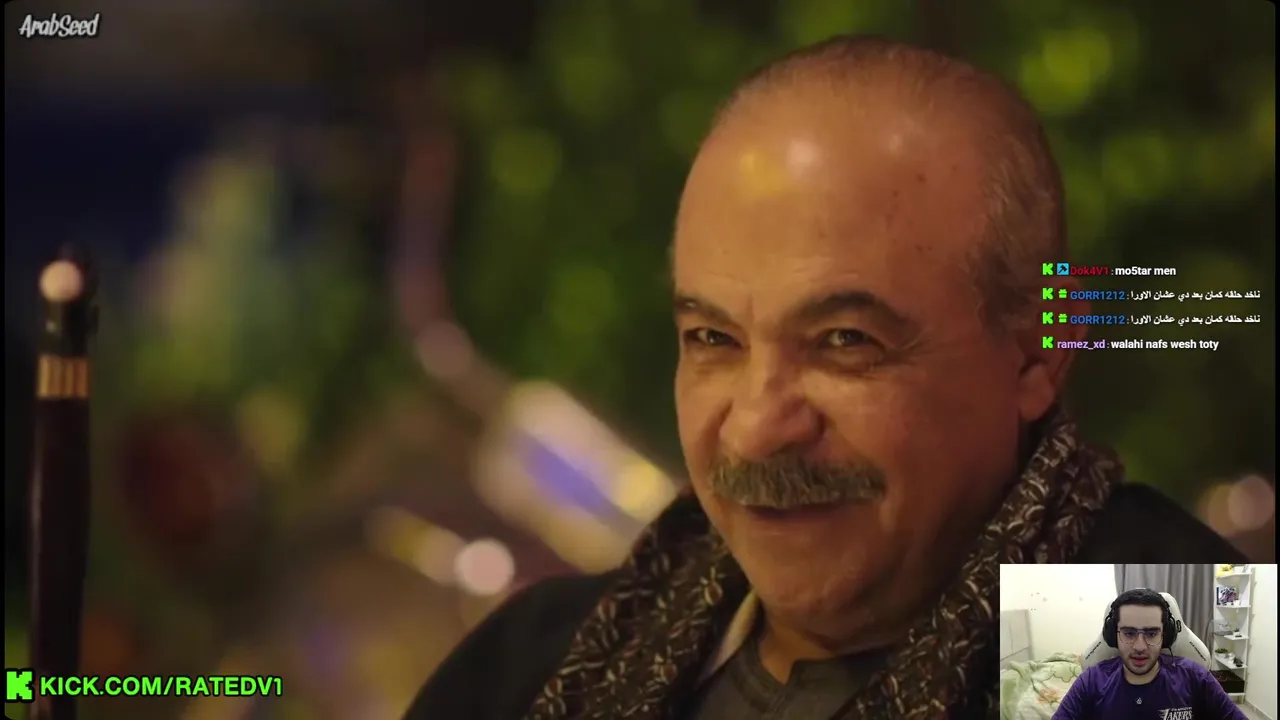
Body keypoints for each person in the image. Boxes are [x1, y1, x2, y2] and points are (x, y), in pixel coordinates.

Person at [404, 34, 1248, 719]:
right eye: (713, 339)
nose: (756, 428)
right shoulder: (536, 665)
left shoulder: (1151, 650)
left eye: (844, 341)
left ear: (1033, 356)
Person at [1052, 589, 1247, 720]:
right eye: (1129, 633)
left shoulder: (1195, 677)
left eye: (1151, 633)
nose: (1140, 646)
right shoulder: (1090, 682)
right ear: (1113, 635)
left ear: (1165, 635)